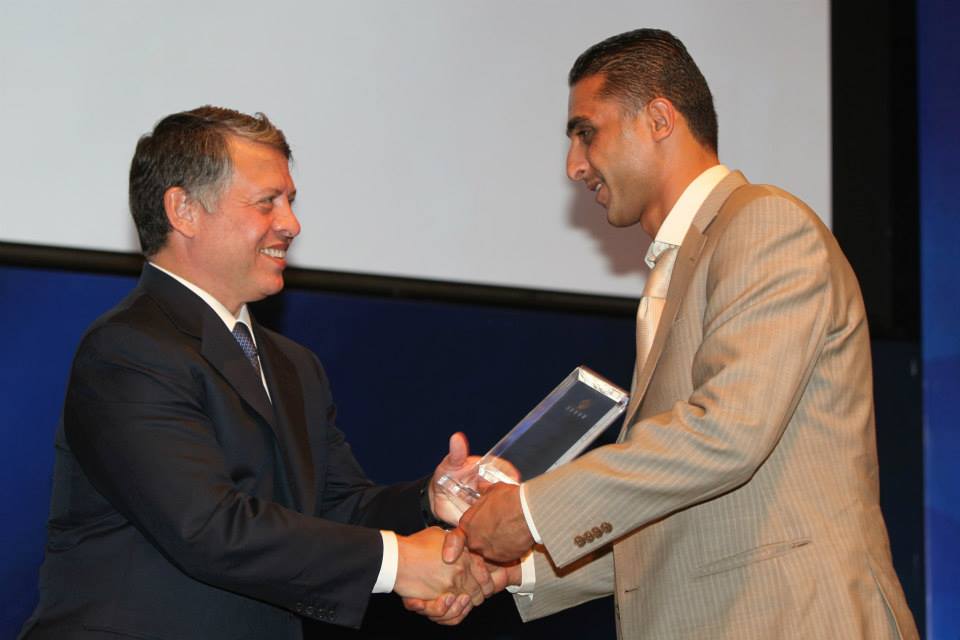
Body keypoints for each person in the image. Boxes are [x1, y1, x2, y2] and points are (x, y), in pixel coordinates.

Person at [420, 28, 920, 638]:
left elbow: (727, 434)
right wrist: (516, 569)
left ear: (659, 119)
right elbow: (681, 511)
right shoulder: (679, 267)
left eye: (586, 132)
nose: (574, 166)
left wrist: (532, 511)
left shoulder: (764, 225)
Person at [19, 106, 501, 640]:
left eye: (290, 201)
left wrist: (429, 500)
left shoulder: (294, 364)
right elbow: (208, 527)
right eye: (267, 202)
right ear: (184, 210)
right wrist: (401, 562)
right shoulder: (128, 349)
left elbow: (336, 509)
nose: (291, 224)